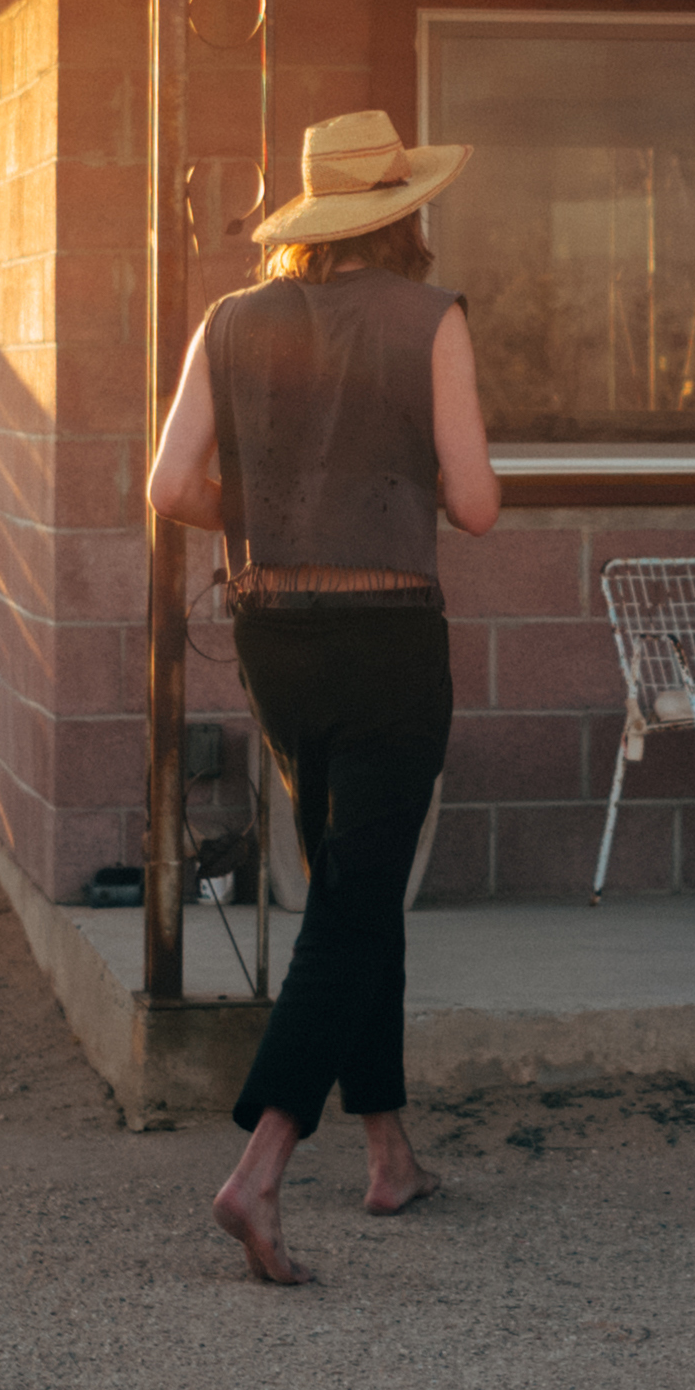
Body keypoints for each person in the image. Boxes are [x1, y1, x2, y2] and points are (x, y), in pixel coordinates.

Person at [143, 107, 499, 1285]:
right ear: (402, 213)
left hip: (273, 631)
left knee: (352, 891)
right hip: (390, 633)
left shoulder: (229, 320)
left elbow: (168, 483)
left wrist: (262, 516)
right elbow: (478, 502)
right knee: (355, 902)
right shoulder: (430, 319)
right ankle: (261, 1165)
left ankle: (388, 1151)